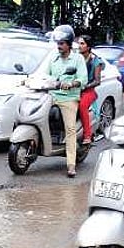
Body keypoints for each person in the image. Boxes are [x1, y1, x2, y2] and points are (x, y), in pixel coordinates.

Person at [47, 25, 88, 178]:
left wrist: (71, 84)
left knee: (70, 129)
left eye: (62, 43)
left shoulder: (77, 59)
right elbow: (45, 75)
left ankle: (71, 164)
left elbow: (83, 79)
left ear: (69, 44)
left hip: (68, 98)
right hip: (51, 96)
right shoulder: (53, 58)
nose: (59, 46)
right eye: (58, 43)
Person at [77, 35, 103, 145]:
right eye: (79, 43)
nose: (79, 46)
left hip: (88, 90)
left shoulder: (95, 61)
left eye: (82, 44)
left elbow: (97, 81)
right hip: (74, 88)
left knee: (82, 105)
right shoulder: (75, 58)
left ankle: (87, 135)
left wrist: (84, 86)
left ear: (88, 47)